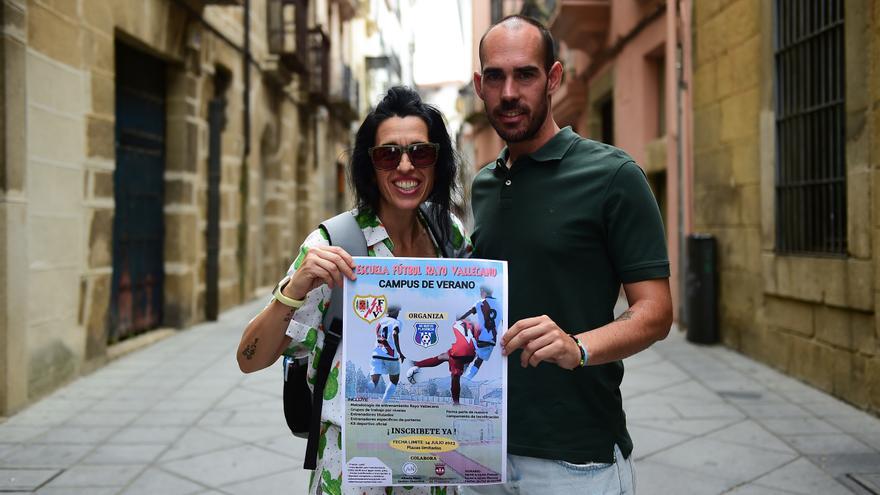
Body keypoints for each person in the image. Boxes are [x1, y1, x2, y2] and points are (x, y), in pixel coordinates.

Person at [463, 15, 673, 495]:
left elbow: (657, 313)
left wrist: (577, 348)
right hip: (483, 449)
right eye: (495, 76)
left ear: (553, 78)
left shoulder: (615, 175)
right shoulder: (486, 185)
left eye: (526, 74)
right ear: (479, 85)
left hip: (575, 458)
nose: (509, 91)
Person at [236, 86, 471, 495]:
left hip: (435, 466)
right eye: (388, 154)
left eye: (420, 152)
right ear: (370, 165)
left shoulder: (449, 234)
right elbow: (249, 358)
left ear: (438, 163)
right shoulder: (333, 243)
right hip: (355, 474)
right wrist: (295, 287)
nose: (405, 166)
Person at [406, 319, 480, 405]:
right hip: (470, 353)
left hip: (459, 352)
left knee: (454, 376)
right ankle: (417, 364)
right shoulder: (475, 325)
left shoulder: (456, 324)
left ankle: (456, 403)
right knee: (444, 356)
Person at [456, 285, 502, 381]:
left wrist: (460, 319)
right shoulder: (500, 304)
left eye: (481, 292)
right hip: (492, 340)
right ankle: (468, 378)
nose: (480, 294)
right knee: (479, 360)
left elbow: (469, 313)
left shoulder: (480, 303)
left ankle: (462, 371)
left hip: (481, 337)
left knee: (470, 352)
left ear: (484, 292)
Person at [370, 304, 406, 402]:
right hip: (390, 355)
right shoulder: (397, 322)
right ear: (393, 312)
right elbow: (395, 333)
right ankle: (384, 403)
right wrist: (400, 352)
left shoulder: (380, 322)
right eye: (397, 311)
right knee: (394, 380)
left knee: (374, 382)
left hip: (376, 354)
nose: (398, 313)